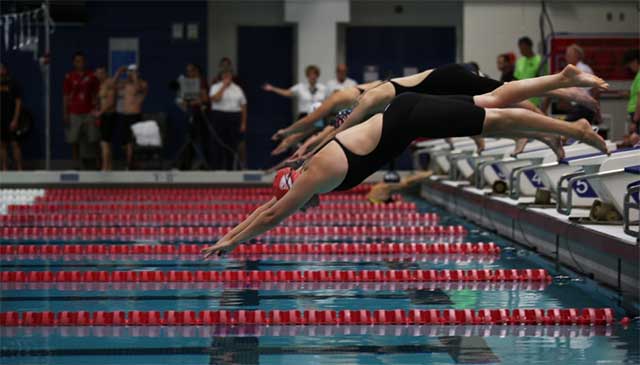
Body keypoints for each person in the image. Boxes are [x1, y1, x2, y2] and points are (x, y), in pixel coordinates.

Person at [202, 65, 609, 257]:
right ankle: (564, 87)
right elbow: (266, 208)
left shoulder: (314, 178)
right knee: (494, 104)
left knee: (495, 117)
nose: (300, 207)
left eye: (294, 200)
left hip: (410, 116)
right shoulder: (309, 171)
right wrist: (228, 236)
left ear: (296, 190)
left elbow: (272, 216)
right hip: (407, 115)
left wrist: (233, 242)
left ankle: (574, 125)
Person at [300, 63, 599, 162]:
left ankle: (566, 88)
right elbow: (336, 130)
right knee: (492, 109)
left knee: (506, 94)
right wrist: (305, 149)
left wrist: (310, 154)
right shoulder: (369, 102)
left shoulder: (365, 100)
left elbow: (338, 132)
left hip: (446, 79)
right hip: (435, 95)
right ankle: (546, 134)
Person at [63, 52, 99, 168]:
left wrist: (97, 111)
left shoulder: (92, 76)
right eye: (77, 61)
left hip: (89, 112)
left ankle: (96, 163)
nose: (80, 63)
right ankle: (76, 164)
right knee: (73, 139)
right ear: (74, 63)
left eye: (82, 60)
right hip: (74, 112)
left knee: (93, 138)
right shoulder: (69, 76)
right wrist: (65, 113)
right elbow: (65, 96)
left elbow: (96, 94)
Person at [209, 68, 247, 170]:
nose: (226, 77)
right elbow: (215, 99)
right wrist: (223, 87)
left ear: (231, 76)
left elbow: (243, 106)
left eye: (228, 75)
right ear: (221, 76)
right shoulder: (215, 87)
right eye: (224, 75)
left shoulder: (237, 89)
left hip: (234, 117)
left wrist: (243, 123)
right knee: (218, 143)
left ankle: (230, 169)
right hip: (219, 116)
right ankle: (217, 168)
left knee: (232, 144)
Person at [120, 64, 148, 169]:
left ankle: (130, 163)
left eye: (134, 71)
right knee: (126, 142)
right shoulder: (125, 84)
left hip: (135, 115)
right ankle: (130, 162)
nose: (131, 74)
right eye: (130, 72)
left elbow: (137, 89)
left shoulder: (143, 83)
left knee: (132, 141)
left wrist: (135, 76)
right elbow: (112, 85)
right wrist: (119, 73)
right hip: (125, 115)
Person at [563, 44, 599, 123]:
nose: (566, 57)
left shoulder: (583, 69)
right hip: (580, 107)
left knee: (567, 128)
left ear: (577, 55)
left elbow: (594, 89)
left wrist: (596, 109)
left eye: (569, 55)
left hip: (583, 107)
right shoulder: (575, 69)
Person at [93, 66, 120, 171]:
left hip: (109, 116)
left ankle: (104, 168)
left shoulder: (110, 84)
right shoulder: (102, 84)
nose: (99, 75)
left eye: (101, 73)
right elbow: (102, 101)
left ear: (105, 73)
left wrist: (100, 112)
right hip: (105, 116)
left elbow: (111, 102)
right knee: (106, 143)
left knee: (104, 143)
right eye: (97, 73)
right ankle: (109, 167)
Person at [0, 63, 23, 170]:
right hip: (1, 119)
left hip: (11, 119)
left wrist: (15, 119)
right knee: (2, 145)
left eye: (1, 68)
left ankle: (19, 169)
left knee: (14, 144)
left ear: (5, 70)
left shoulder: (13, 83)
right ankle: (4, 169)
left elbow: (18, 102)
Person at [514, 37, 544, 107]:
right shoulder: (519, 61)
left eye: (523, 48)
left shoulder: (540, 61)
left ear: (529, 46)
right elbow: (516, 79)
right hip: (521, 100)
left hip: (536, 100)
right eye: (520, 48)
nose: (521, 51)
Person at [621, 49, 640, 146]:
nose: (630, 67)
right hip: (635, 114)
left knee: (635, 141)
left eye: (630, 64)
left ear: (636, 61)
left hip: (637, 115)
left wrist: (635, 121)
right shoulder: (637, 76)